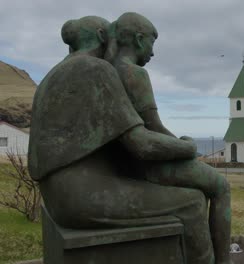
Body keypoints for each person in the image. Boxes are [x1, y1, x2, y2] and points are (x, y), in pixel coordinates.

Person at [28, 16, 216, 264]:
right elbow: (141, 143)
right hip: (81, 198)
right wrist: (189, 146)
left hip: (57, 196)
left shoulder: (54, 75)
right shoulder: (96, 69)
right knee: (192, 203)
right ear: (102, 35)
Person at [105, 13, 232, 264]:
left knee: (201, 190)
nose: (153, 52)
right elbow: (154, 128)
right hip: (146, 163)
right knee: (221, 187)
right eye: (152, 43)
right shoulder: (133, 73)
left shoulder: (108, 71)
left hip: (125, 161)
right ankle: (224, 261)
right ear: (140, 40)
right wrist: (187, 146)